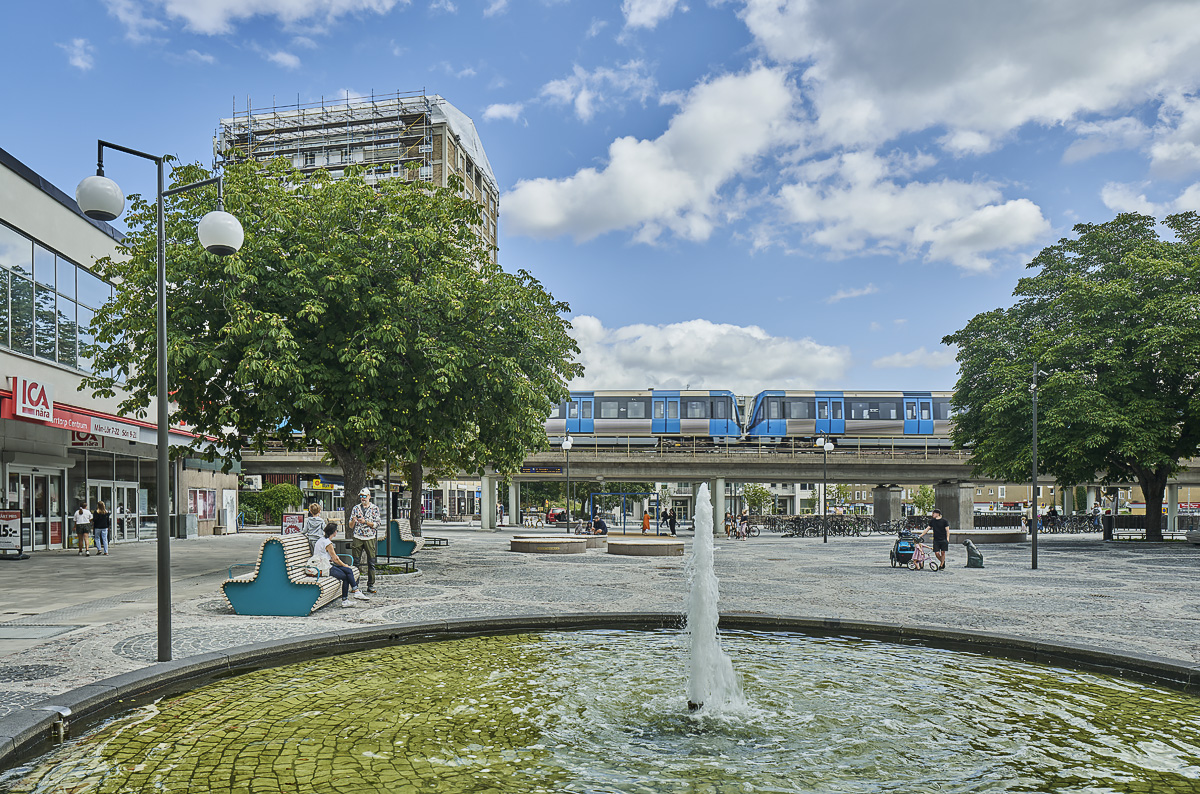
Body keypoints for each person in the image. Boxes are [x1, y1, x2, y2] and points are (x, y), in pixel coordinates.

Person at [314, 524, 369, 606]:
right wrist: (344, 565)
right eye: (336, 530)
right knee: (346, 576)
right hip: (324, 568)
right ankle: (346, 599)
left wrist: (339, 563)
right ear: (334, 532)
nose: (337, 532)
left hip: (325, 564)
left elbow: (328, 556)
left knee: (349, 571)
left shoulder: (321, 540)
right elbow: (336, 559)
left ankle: (355, 591)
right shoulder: (328, 543)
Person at [349, 488, 381, 595]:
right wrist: (353, 521)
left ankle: (370, 585)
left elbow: (377, 524)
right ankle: (355, 585)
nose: (362, 498)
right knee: (356, 562)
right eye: (361, 496)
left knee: (371, 562)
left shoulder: (374, 508)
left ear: (369, 496)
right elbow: (350, 526)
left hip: (370, 537)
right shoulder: (355, 508)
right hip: (358, 536)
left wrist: (366, 522)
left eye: (364, 496)